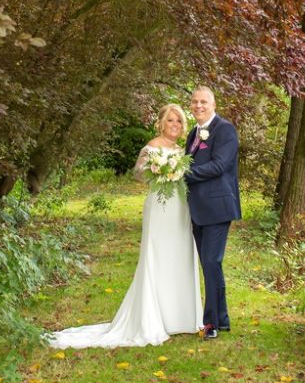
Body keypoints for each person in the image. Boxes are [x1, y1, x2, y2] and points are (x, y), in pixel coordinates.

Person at [47, 104, 202, 349]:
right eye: (171, 120)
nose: (175, 125)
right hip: (159, 209)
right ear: (161, 123)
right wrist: (157, 170)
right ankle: (153, 318)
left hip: (181, 209)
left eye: (180, 122)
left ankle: (180, 318)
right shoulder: (152, 147)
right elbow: (138, 173)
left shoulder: (182, 150)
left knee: (178, 256)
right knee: (157, 256)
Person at [185, 86, 241, 340]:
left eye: (203, 102)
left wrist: (183, 173)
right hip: (198, 209)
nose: (198, 105)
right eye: (195, 101)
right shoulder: (192, 134)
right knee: (210, 265)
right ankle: (223, 319)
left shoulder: (225, 130)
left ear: (213, 104)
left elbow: (220, 165)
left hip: (218, 208)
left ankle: (211, 324)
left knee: (211, 262)